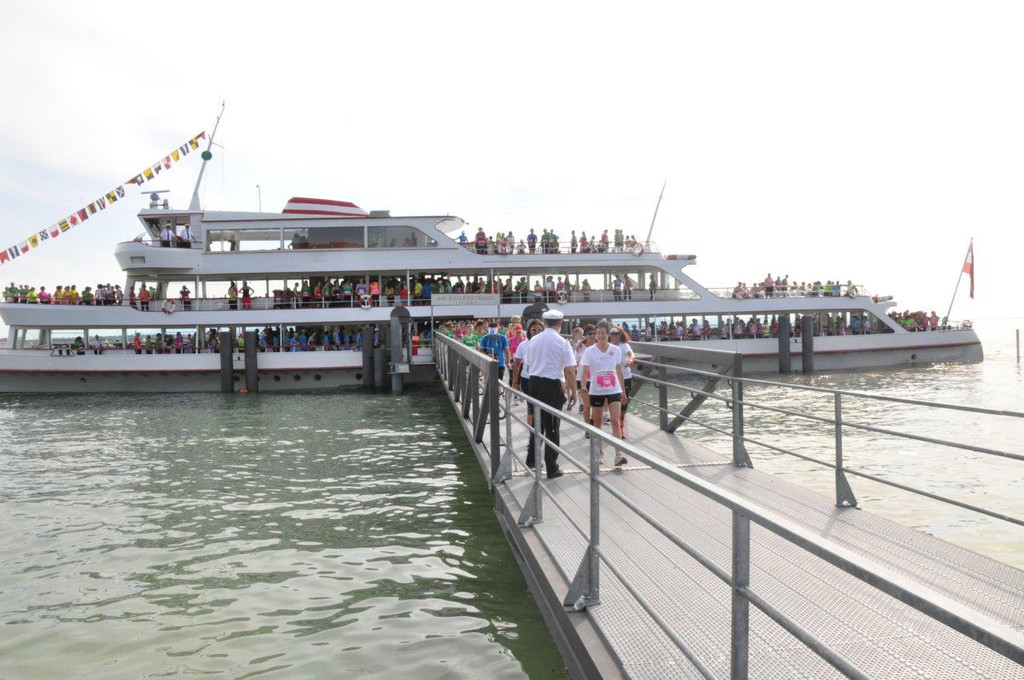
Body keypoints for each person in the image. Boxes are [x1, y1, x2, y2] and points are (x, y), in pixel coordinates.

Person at [525, 310, 577, 479]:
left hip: (534, 383)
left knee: (538, 423)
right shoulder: (563, 342)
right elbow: (570, 369)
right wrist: (573, 392)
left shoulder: (533, 340)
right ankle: (551, 467)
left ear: (545, 323)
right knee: (552, 427)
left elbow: (528, 364)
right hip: (552, 385)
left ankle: (532, 459)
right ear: (559, 324)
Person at [579, 321, 628, 466]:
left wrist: (623, 391)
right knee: (598, 422)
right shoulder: (590, 351)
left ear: (608, 335)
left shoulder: (615, 350)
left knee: (615, 420)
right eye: (598, 333)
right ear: (595, 335)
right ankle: (600, 452)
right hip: (596, 390)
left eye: (603, 333)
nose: (600, 336)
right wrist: (583, 387)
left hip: (614, 389)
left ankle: (618, 454)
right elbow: (584, 371)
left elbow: (618, 370)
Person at [513, 319, 544, 466]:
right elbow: (517, 364)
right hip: (527, 380)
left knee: (537, 411)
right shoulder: (523, 345)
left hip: (542, 379)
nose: (536, 332)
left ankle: (534, 436)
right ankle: (533, 435)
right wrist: (515, 382)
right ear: (529, 331)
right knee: (532, 409)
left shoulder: (544, 344)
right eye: (534, 330)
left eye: (539, 330)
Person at [609, 326, 635, 440]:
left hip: (625, 377)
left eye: (616, 334)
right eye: (612, 334)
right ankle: (617, 425)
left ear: (620, 335)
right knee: (614, 401)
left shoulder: (624, 345)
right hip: (613, 378)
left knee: (624, 402)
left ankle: (621, 422)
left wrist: (631, 360)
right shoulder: (608, 346)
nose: (614, 336)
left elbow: (631, 354)